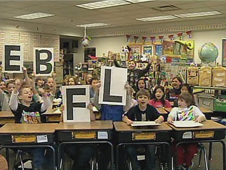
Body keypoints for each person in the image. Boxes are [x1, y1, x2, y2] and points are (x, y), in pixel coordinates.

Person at [9, 79, 52, 170]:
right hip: (23, 138)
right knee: (39, 150)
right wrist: (16, 90)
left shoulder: (36, 106)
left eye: (30, 92)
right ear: (20, 97)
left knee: (51, 146)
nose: (29, 94)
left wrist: (44, 95)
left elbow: (47, 105)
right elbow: (12, 104)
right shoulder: (18, 108)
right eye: (26, 93)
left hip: (37, 137)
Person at [123, 89, 164, 170]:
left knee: (151, 147)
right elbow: (125, 116)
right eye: (140, 97)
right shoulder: (134, 109)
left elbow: (161, 117)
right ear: (137, 99)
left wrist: (159, 119)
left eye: (145, 97)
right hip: (135, 137)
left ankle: (150, 167)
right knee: (130, 148)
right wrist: (128, 121)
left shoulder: (151, 109)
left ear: (148, 99)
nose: (143, 99)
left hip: (149, 136)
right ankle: (136, 167)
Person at [167, 92, 206, 170]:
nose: (179, 102)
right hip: (179, 136)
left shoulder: (193, 108)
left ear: (187, 102)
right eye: (179, 100)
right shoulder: (175, 109)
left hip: (191, 136)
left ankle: (187, 165)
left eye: (182, 101)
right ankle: (180, 165)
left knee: (191, 150)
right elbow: (170, 116)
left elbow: (202, 116)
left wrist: (199, 119)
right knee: (178, 150)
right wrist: (170, 119)